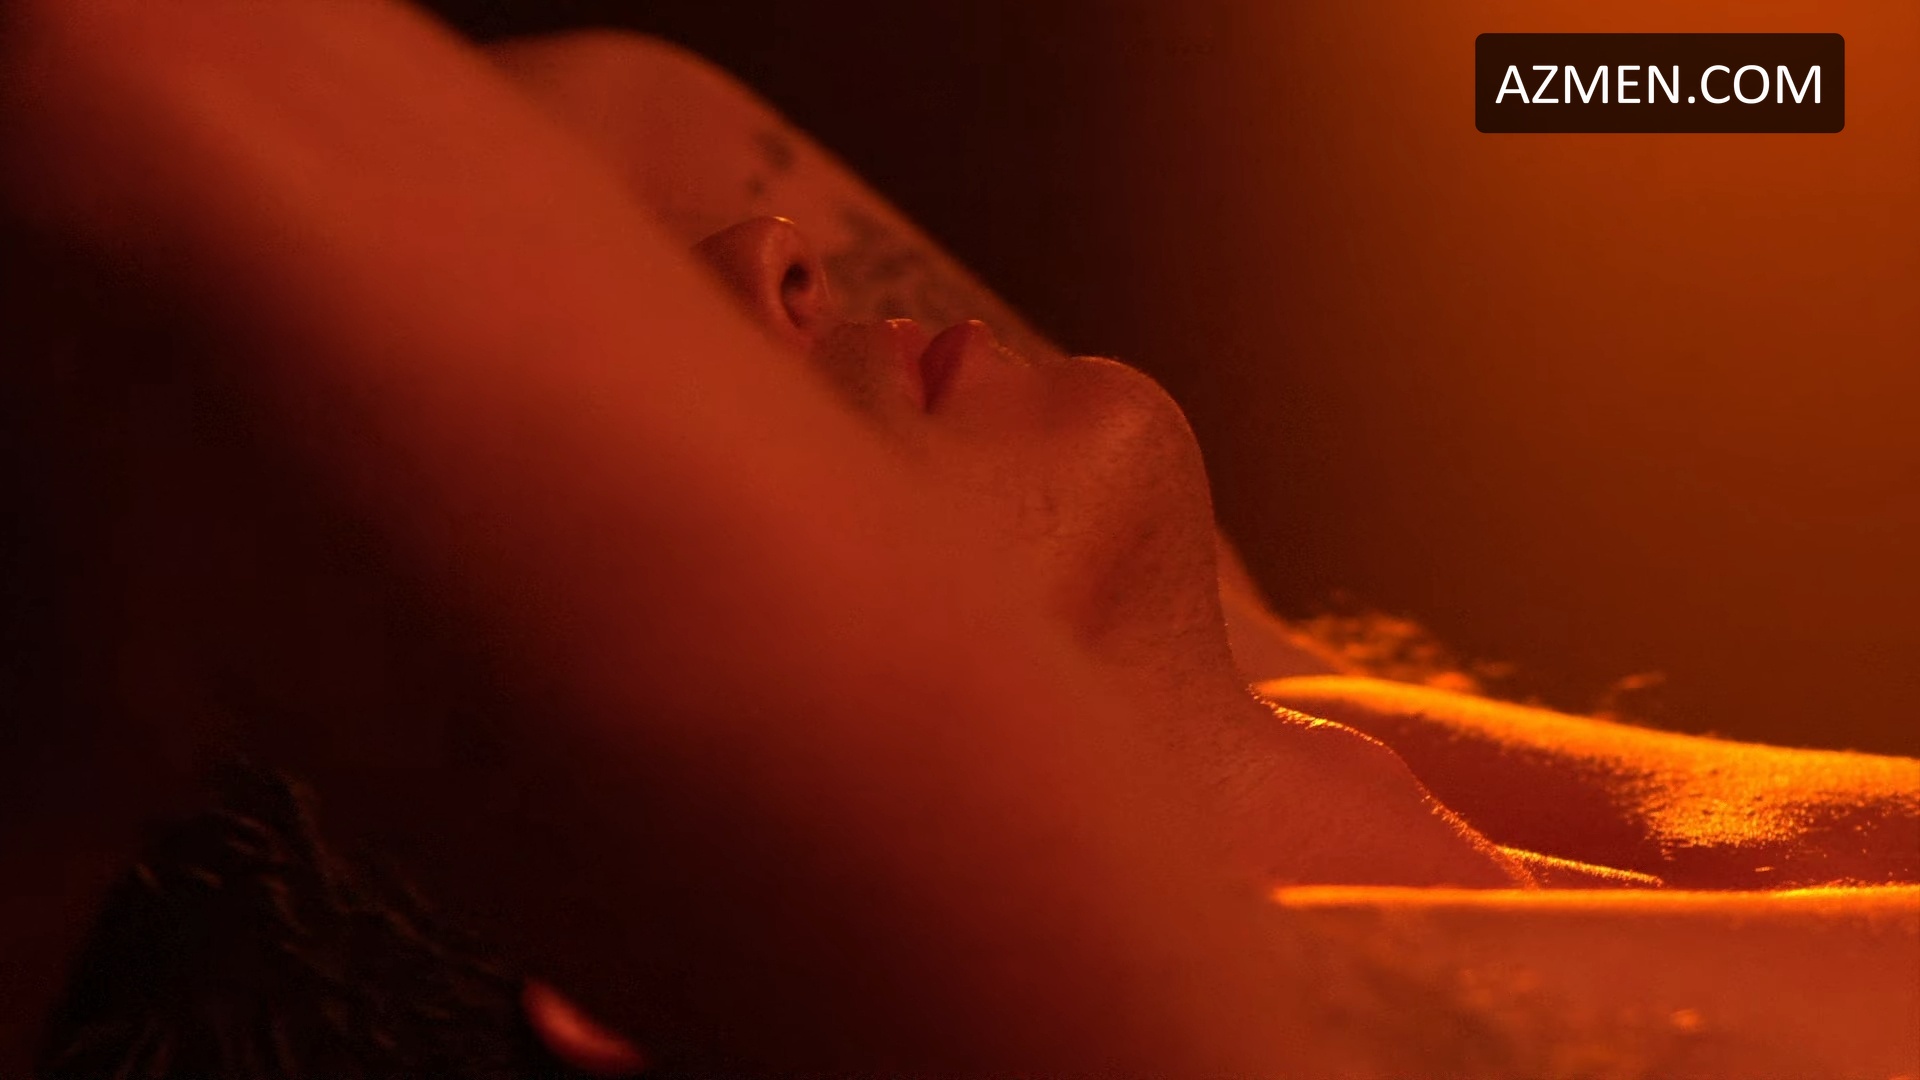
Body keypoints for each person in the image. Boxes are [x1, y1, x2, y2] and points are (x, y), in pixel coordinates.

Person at [1, 2, 1913, 1077]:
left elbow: (616, 115)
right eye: (641, 417)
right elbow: (146, 82)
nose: (762, 258)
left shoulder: (1318, 751)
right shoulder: (1227, 1037)